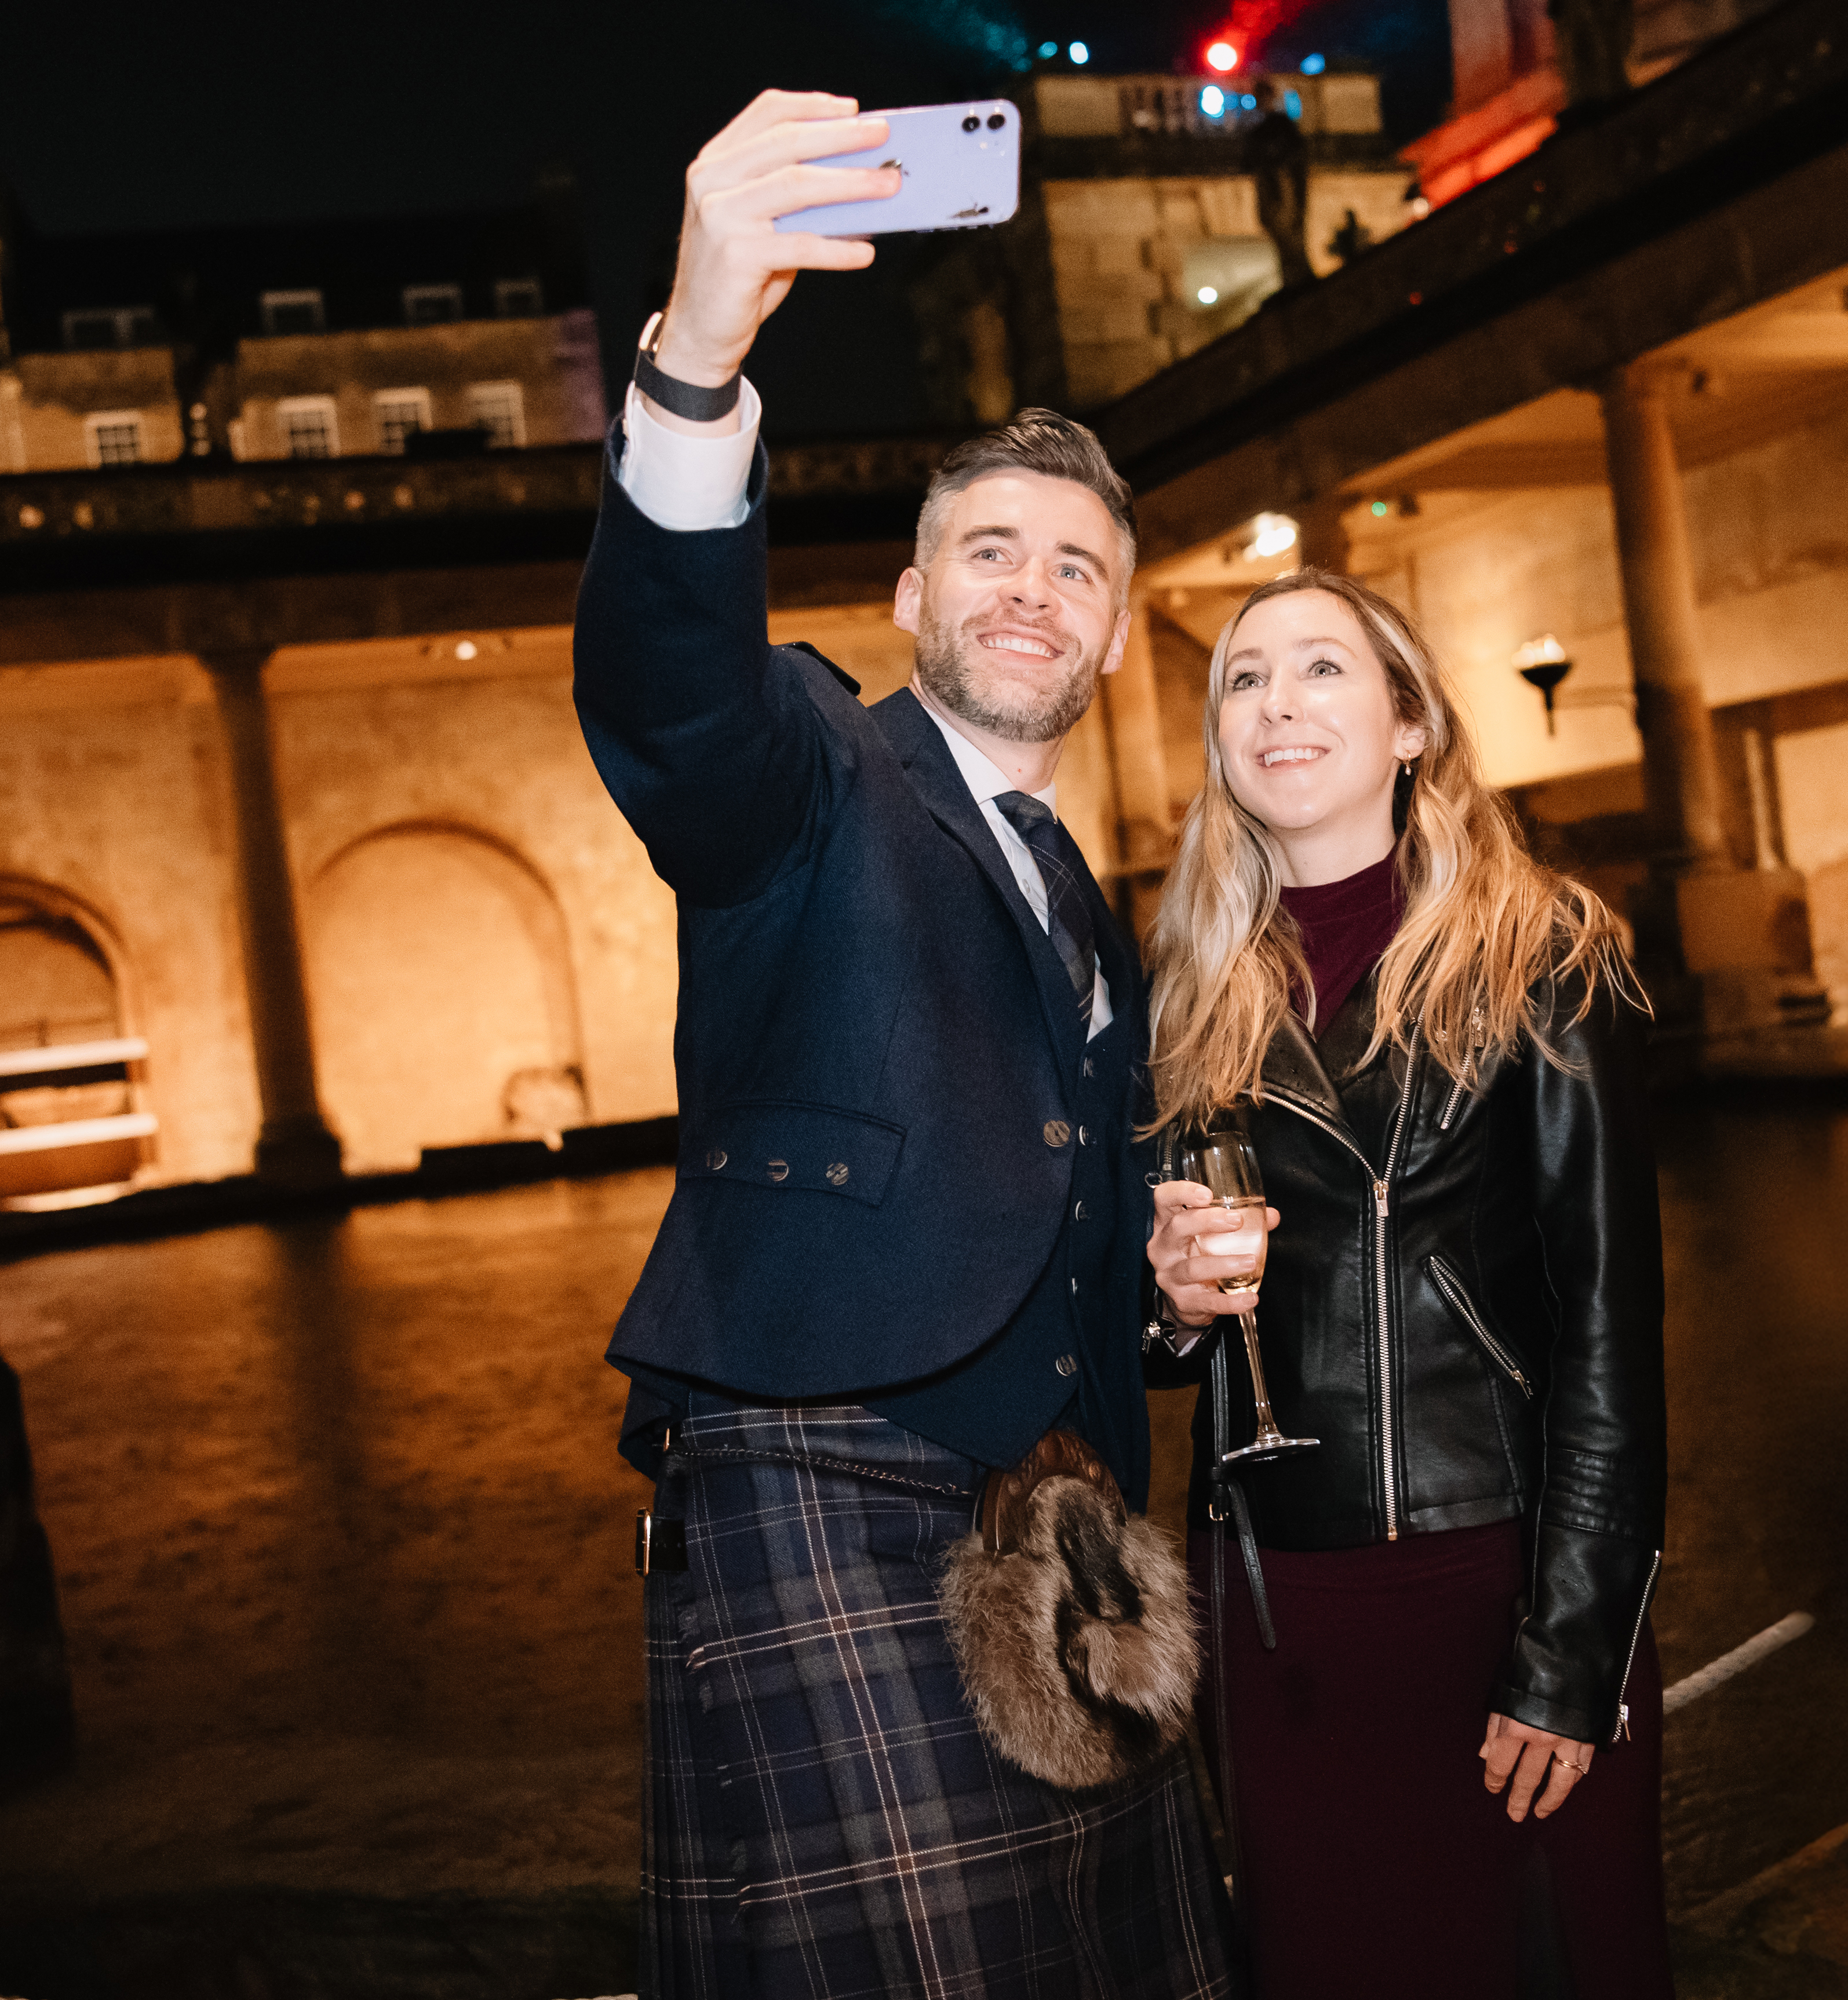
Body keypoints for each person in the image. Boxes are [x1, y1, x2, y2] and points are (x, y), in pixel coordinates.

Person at [575, 90, 1233, 2000]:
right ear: (905, 597)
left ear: (1113, 635)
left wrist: (1167, 1303)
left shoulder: (1094, 918)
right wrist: (697, 356)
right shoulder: (803, 771)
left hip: (1072, 1522)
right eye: (988, 551)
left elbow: (1056, 1228)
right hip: (820, 1465)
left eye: (1074, 567)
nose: (1030, 585)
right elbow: (666, 695)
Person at [1143, 568, 1672, 1998]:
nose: (1277, 702)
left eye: (1321, 668)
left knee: (1554, 1963)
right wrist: (1166, 1302)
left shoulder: (1540, 955)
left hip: (1487, 1572)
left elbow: (1610, 1332)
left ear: (1409, 725)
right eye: (1244, 680)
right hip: (1274, 1593)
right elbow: (1152, 1324)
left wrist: (1570, 1650)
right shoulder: (1188, 991)